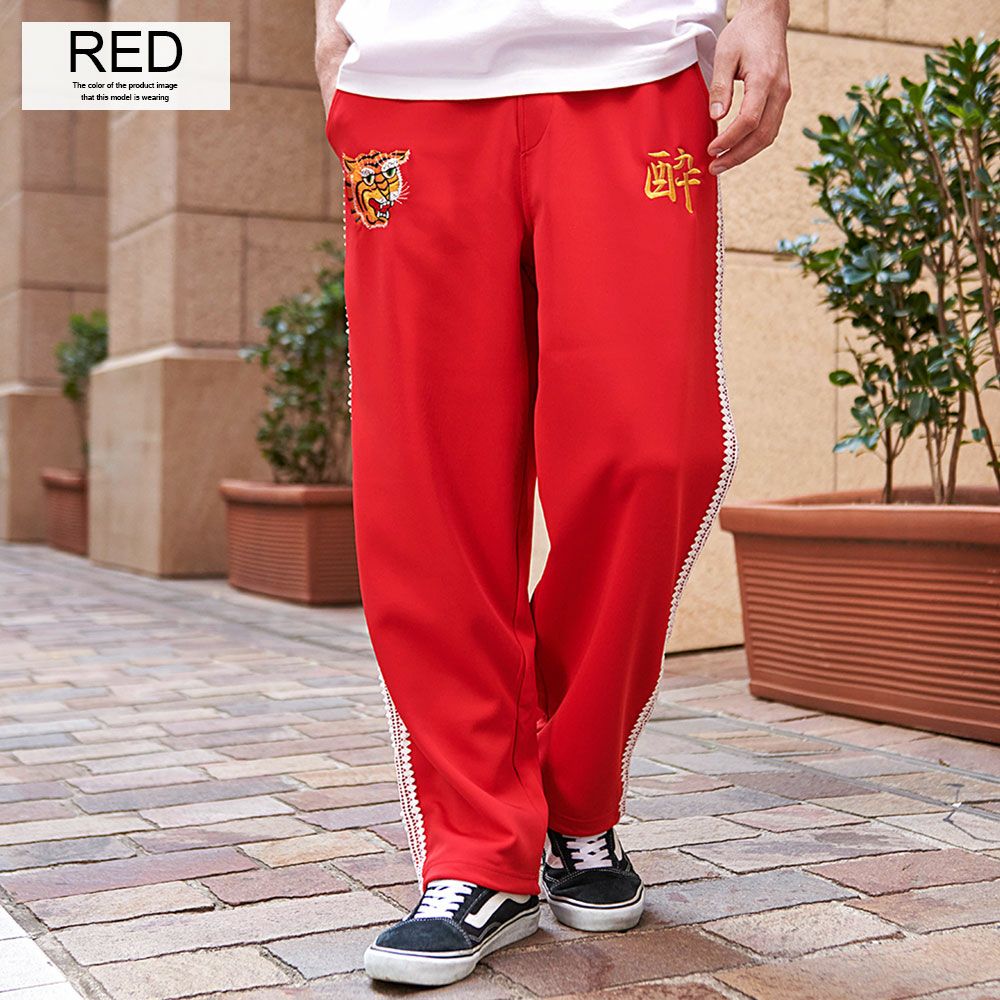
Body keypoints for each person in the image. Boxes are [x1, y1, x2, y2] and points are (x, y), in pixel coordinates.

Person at [314, 0, 790, 986]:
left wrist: (761, 10)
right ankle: (478, 850)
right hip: (411, 78)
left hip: (634, 63)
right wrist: (331, 28)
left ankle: (576, 790)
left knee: (653, 454)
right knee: (428, 482)